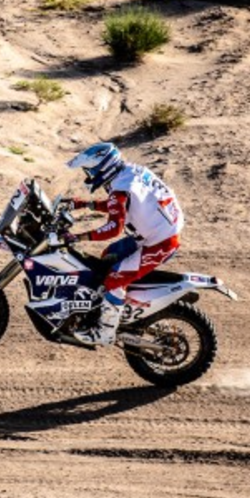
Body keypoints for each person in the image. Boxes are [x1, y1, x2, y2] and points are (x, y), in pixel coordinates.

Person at [62, 142, 184, 347]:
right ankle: (114, 306)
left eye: (90, 170)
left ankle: (105, 331)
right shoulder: (129, 172)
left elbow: (113, 228)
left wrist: (77, 238)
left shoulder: (120, 188)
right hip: (157, 232)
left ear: (103, 167)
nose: (88, 175)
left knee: (114, 279)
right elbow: (118, 206)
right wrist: (85, 204)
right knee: (108, 256)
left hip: (160, 242)